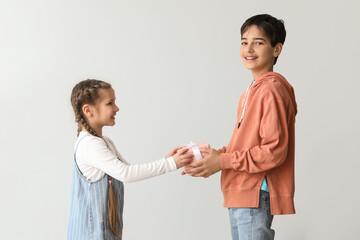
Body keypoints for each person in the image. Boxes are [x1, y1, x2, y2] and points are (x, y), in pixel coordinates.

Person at [187, 14, 297, 240]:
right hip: (241, 192)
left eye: (259, 42)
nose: (249, 49)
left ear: (277, 50)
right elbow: (245, 144)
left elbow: (274, 151)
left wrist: (223, 161)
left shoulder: (271, 89)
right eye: (244, 42)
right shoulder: (250, 91)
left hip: (254, 194)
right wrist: (214, 156)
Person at [67, 79, 193, 240]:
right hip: (91, 235)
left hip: (104, 232)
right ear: (88, 110)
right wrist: (170, 164)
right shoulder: (90, 145)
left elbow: (127, 169)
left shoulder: (103, 142)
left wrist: (167, 159)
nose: (116, 108)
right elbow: (126, 173)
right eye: (110, 103)